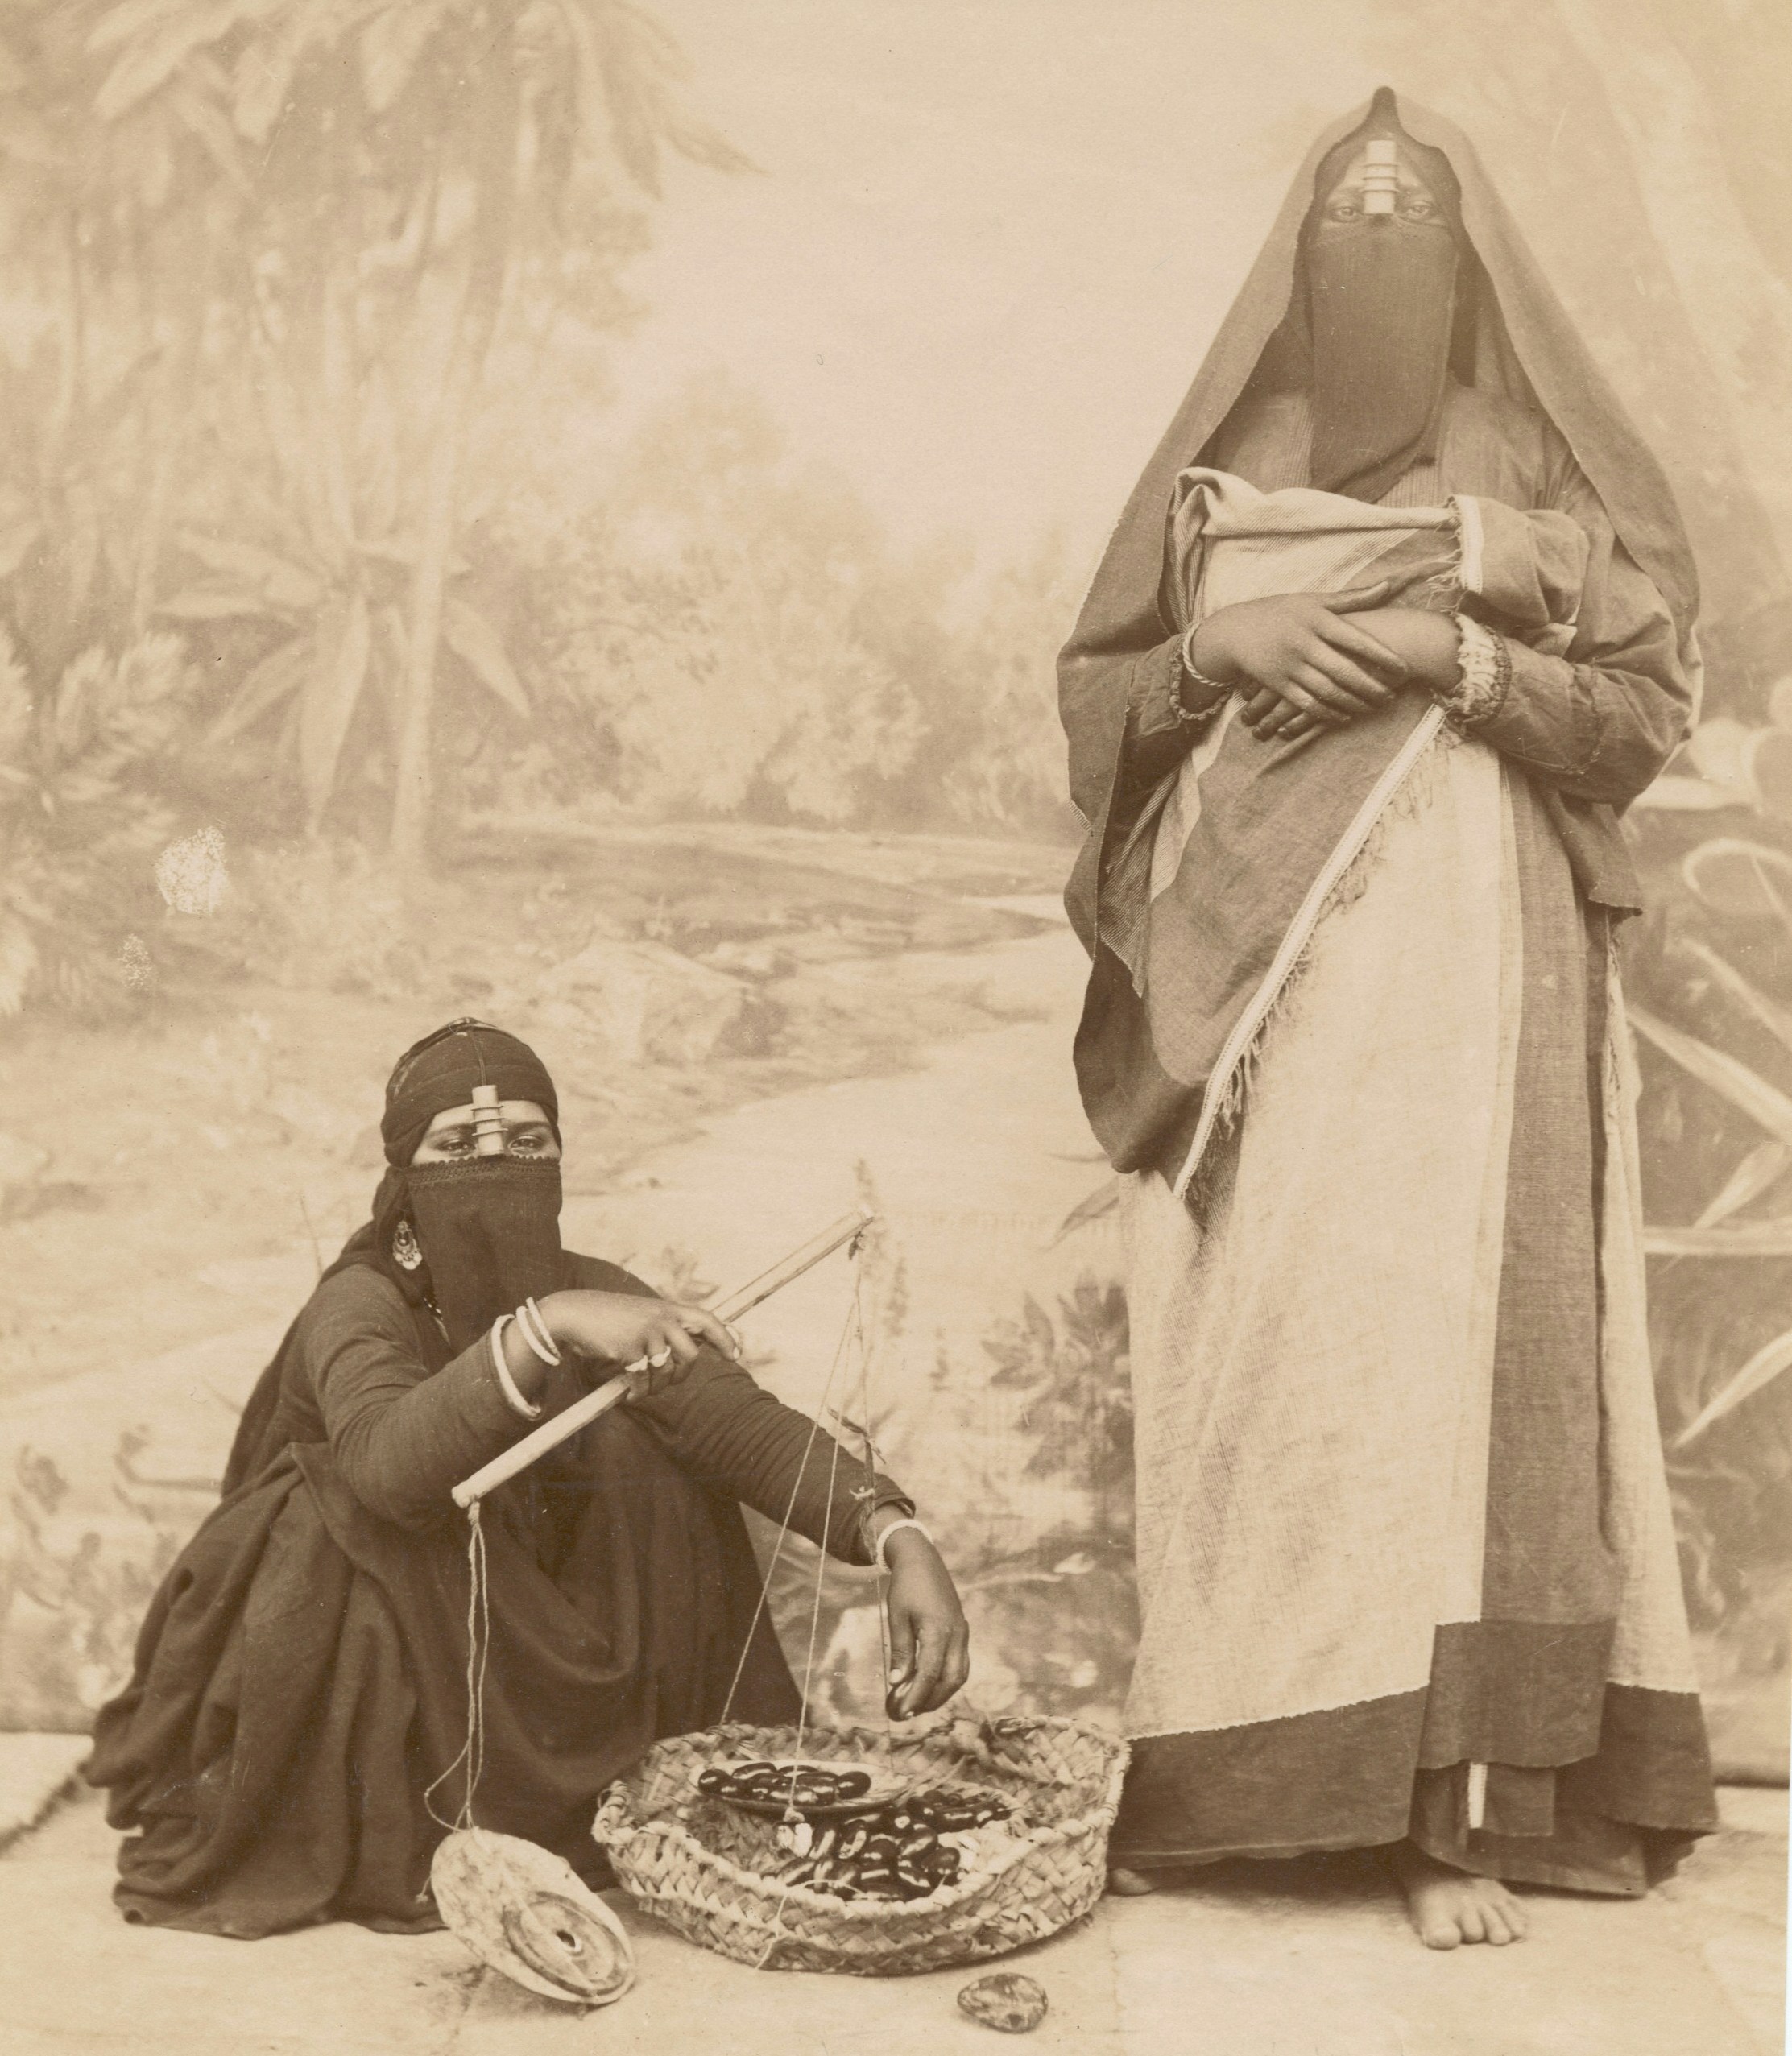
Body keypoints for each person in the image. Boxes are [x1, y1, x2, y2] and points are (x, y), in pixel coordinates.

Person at [1059, 89, 1717, 1949]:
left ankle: (1446, 1806)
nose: (1371, 229)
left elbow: (1637, 710)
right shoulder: (1233, 444)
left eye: (1403, 205)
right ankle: (1250, 1774)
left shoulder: (1527, 453)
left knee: (1448, 1363)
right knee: (1273, 1353)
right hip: (1246, 963)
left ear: (1459, 238)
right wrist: (1216, 647)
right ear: (1294, 245)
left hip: (1471, 954)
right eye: (1342, 208)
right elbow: (1092, 691)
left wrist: (1454, 650)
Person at [86, 1020, 968, 1938]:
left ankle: (590, 1800)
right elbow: (388, 1472)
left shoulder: (596, 1288)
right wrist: (545, 1328)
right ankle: (411, 1823)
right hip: (386, 1635)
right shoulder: (361, 1302)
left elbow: (734, 1425)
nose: (495, 1163)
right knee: (332, 1511)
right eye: (458, 1146)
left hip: (536, 1645)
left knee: (647, 1449)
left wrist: (896, 1535)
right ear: (404, 1175)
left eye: (527, 1142)